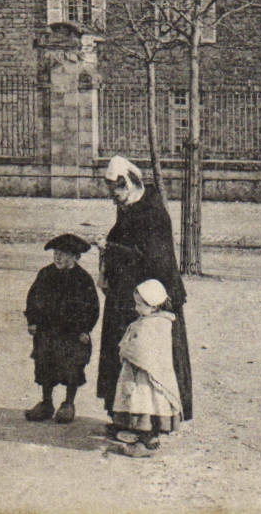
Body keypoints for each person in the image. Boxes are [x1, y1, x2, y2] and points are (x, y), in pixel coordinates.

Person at [97, 155, 192, 424]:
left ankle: (152, 424)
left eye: (117, 191)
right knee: (123, 357)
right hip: (126, 296)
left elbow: (154, 259)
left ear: (129, 183)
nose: (114, 198)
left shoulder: (153, 213)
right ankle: (123, 418)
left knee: (150, 362)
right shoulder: (129, 208)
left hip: (152, 300)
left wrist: (111, 249)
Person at [23, 233, 101, 425]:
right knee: (44, 364)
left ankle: (68, 404)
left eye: (63, 254)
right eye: (56, 253)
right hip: (47, 331)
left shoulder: (83, 279)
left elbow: (93, 307)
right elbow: (32, 298)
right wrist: (32, 321)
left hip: (72, 334)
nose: (57, 257)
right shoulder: (45, 274)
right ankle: (46, 403)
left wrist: (85, 329)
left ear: (75, 257)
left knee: (72, 366)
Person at [109, 279, 183, 458]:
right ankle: (144, 438)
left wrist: (126, 349)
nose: (136, 308)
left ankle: (146, 441)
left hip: (146, 376)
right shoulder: (149, 321)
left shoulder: (155, 324)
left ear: (154, 305)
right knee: (144, 405)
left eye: (140, 305)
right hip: (140, 372)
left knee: (145, 404)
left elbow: (142, 350)